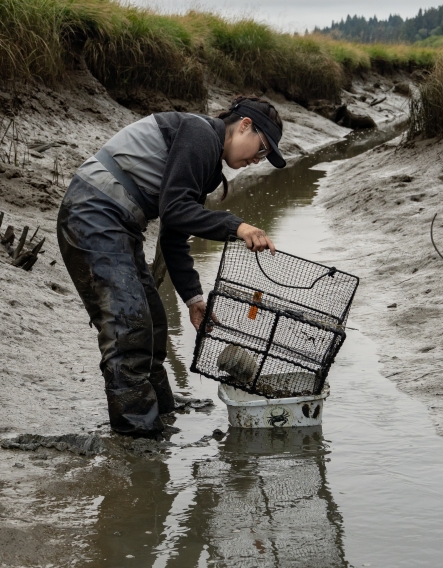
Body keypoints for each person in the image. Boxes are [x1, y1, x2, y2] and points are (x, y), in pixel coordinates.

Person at [57, 96, 286, 437]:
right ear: (245, 126)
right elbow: (176, 209)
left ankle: (161, 413)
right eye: (262, 149)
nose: (257, 160)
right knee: (129, 328)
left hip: (118, 224)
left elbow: (174, 235)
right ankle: (137, 439)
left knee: (153, 322)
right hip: (92, 214)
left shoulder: (207, 163)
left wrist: (194, 301)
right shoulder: (201, 135)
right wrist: (237, 226)